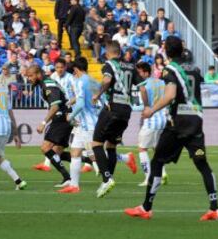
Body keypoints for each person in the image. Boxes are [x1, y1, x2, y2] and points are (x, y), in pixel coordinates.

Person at [125, 36, 218, 221]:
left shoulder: (170, 70)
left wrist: (151, 110)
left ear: (167, 50)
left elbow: (170, 95)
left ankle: (146, 207)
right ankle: (215, 208)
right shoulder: (194, 68)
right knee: (202, 164)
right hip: (195, 126)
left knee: (157, 162)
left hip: (177, 126)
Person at [92, 41, 139, 198]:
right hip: (127, 110)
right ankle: (108, 179)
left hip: (112, 108)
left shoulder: (109, 65)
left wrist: (97, 94)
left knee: (96, 143)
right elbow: (143, 86)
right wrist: (146, 106)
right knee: (111, 145)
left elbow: (106, 80)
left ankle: (107, 179)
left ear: (107, 52)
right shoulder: (131, 66)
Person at [58, 57, 99, 193]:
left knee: (96, 155)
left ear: (76, 69)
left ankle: (125, 158)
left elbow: (81, 104)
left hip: (88, 123)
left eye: (73, 70)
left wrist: (71, 116)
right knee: (75, 152)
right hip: (87, 122)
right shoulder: (93, 80)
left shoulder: (81, 81)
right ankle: (74, 186)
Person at [27, 65, 72, 187]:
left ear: (38, 74)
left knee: (46, 148)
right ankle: (91, 159)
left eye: (30, 76)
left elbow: (55, 106)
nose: (29, 79)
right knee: (58, 153)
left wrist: (43, 123)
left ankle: (67, 177)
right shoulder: (45, 83)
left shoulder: (48, 84)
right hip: (65, 118)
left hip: (61, 118)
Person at [135, 62, 168, 186]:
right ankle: (163, 172)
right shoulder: (162, 83)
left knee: (142, 148)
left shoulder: (144, 85)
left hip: (151, 120)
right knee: (156, 148)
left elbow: (145, 106)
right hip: (162, 120)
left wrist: (134, 106)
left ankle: (148, 178)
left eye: (140, 72)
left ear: (146, 72)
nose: (140, 74)